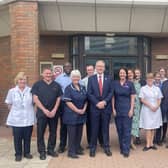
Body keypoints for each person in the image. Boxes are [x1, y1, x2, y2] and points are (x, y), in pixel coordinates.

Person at [31, 68, 62, 160]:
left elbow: (59, 98)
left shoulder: (56, 85)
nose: (48, 75)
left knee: (53, 132)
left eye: (49, 73)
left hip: (53, 113)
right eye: (46, 73)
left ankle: (51, 149)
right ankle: (42, 151)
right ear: (42, 74)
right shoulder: (37, 85)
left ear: (52, 74)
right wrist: (44, 110)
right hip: (41, 113)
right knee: (40, 132)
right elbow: (35, 98)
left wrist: (54, 110)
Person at [5, 72, 36, 161]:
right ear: (17, 80)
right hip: (16, 119)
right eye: (20, 79)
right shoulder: (12, 91)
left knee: (27, 137)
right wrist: (15, 112)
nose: (22, 81)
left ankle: (27, 152)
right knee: (17, 138)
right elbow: (9, 104)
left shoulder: (31, 90)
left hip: (28, 117)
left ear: (26, 81)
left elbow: (33, 103)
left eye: (24, 79)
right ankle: (18, 154)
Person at [88, 60, 113, 157]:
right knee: (94, 129)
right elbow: (89, 93)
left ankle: (106, 147)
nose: (100, 68)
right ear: (95, 67)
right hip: (95, 108)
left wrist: (104, 102)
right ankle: (93, 148)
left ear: (104, 68)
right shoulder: (91, 79)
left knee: (105, 129)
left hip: (106, 108)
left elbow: (111, 92)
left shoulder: (109, 78)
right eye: (98, 66)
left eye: (102, 66)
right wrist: (97, 103)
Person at [63, 70, 87, 158]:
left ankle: (77, 149)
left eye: (77, 76)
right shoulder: (68, 88)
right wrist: (77, 110)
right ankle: (71, 152)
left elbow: (86, 100)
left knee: (79, 133)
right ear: (71, 78)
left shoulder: (83, 87)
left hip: (81, 114)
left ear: (80, 77)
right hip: (71, 115)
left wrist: (84, 109)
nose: (76, 78)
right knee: (72, 134)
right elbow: (68, 102)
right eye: (74, 77)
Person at [112, 68, 135, 158]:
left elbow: (132, 97)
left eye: (123, 73)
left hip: (127, 109)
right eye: (120, 73)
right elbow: (113, 97)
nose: (122, 74)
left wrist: (131, 109)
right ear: (119, 74)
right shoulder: (115, 84)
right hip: (118, 110)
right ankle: (122, 147)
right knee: (119, 130)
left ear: (126, 74)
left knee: (127, 130)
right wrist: (113, 109)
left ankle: (126, 150)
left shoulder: (130, 84)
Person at [139, 73, 163, 151]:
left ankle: (152, 143)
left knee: (153, 127)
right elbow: (142, 99)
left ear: (153, 80)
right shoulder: (143, 88)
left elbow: (159, 98)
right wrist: (150, 106)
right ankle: (147, 144)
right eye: (148, 78)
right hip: (147, 110)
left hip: (156, 110)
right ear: (146, 80)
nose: (150, 80)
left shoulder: (157, 89)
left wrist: (157, 106)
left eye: (151, 78)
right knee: (148, 127)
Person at [55, 62, 72, 153]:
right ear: (63, 68)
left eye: (69, 66)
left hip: (74, 104)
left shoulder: (75, 76)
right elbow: (56, 91)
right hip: (63, 104)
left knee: (74, 125)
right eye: (66, 66)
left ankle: (74, 144)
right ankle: (62, 145)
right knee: (64, 125)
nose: (68, 68)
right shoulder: (59, 78)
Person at [128, 69, 141, 150]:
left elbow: (140, 95)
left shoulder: (138, 84)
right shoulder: (125, 83)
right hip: (127, 106)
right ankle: (126, 141)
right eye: (128, 74)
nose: (130, 75)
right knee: (127, 125)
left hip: (136, 107)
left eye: (131, 73)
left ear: (133, 74)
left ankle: (131, 142)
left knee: (134, 125)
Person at [134, 68, 146, 145]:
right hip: (134, 103)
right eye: (136, 73)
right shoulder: (132, 82)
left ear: (140, 74)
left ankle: (137, 136)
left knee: (140, 120)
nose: (137, 74)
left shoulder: (143, 82)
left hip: (142, 103)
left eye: (138, 73)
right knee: (135, 120)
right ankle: (136, 137)